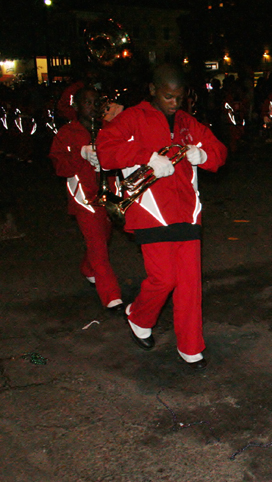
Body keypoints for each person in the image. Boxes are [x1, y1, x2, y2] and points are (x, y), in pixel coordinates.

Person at [96, 64, 227, 369]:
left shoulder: (187, 122)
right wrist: (146, 157)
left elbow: (219, 152)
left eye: (180, 97)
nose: (174, 103)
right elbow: (105, 151)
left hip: (187, 212)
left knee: (190, 284)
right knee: (164, 278)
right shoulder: (133, 117)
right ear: (153, 90)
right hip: (150, 211)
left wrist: (204, 155)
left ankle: (191, 346)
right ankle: (138, 316)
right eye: (168, 96)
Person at [48, 86, 124, 313]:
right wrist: (80, 154)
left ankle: (88, 268)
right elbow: (60, 168)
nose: (92, 108)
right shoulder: (66, 133)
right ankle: (111, 296)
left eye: (95, 103)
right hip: (84, 198)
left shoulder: (108, 128)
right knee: (98, 244)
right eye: (87, 103)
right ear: (76, 106)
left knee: (103, 237)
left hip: (109, 195)